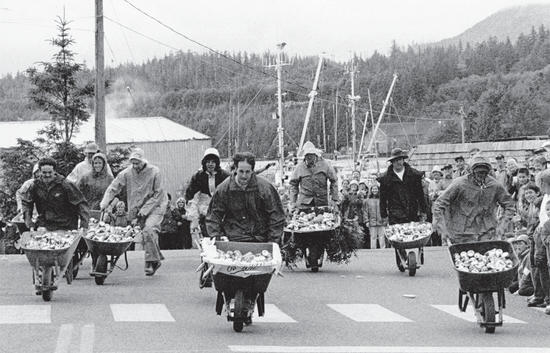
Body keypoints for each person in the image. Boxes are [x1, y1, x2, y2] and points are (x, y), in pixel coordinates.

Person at [100, 148, 168, 276]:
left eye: (138, 163)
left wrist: (144, 211)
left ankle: (149, 261)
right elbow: (113, 188)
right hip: (137, 207)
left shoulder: (155, 172)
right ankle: (156, 259)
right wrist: (105, 202)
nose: (135, 166)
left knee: (149, 229)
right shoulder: (127, 173)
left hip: (156, 206)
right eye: (133, 163)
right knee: (147, 233)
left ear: (143, 161)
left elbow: (158, 194)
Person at [432, 155, 515, 244]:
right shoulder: (459, 184)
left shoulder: (494, 185)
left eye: (484, 172)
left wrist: (502, 226)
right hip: (461, 234)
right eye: (478, 172)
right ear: (472, 171)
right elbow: (439, 205)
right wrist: (442, 228)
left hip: (486, 233)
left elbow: (509, 205)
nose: (481, 175)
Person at [206, 152, 285, 243]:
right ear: (235, 169)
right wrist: (217, 238)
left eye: (247, 172)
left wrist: (273, 242)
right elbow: (214, 216)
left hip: (260, 238)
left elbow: (277, 216)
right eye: (241, 171)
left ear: (252, 170)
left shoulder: (265, 188)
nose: (244, 176)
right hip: (233, 239)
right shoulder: (223, 189)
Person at [288, 141, 339, 271]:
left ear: (316, 155)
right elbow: (293, 184)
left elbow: (334, 181)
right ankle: (307, 254)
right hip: (305, 203)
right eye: (307, 156)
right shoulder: (299, 168)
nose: (309, 158)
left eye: (311, 156)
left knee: (322, 230)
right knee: (304, 230)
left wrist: (334, 199)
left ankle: (318, 254)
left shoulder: (325, 165)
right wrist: (293, 203)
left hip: (321, 203)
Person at [22, 157, 90, 231]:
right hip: (45, 223)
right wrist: (29, 222)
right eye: (44, 172)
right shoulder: (35, 185)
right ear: (40, 172)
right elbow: (27, 203)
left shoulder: (65, 184)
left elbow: (81, 203)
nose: (47, 175)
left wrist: (84, 225)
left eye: (50, 172)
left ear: (54, 171)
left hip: (65, 225)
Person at [185, 148, 230, 238]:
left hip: (221, 212)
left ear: (217, 163)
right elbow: (191, 198)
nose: (210, 164)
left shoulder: (225, 176)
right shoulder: (197, 177)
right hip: (204, 213)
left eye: (213, 162)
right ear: (204, 163)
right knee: (207, 239)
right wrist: (194, 218)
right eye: (208, 161)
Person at [378, 148, 427, 225]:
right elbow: (382, 199)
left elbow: (420, 195)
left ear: (403, 160)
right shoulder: (385, 179)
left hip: (413, 213)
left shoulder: (414, 175)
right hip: (395, 216)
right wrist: (384, 216)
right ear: (392, 162)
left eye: (400, 159)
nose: (398, 162)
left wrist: (423, 211)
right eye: (395, 160)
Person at [364, 184, 386, 249]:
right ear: (371, 190)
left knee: (381, 236)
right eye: (373, 189)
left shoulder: (382, 200)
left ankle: (383, 249)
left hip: (381, 221)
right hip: (372, 221)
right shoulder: (368, 200)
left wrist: (385, 220)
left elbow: (385, 210)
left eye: (376, 189)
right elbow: (365, 211)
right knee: (373, 236)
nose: (375, 190)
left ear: (378, 190)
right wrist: (366, 221)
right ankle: (373, 250)